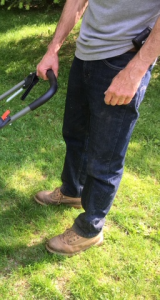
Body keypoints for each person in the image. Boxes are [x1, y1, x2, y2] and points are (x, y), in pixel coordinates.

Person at [35, 0, 160, 256]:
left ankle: (90, 229)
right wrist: (53, 48)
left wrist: (136, 70)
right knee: (75, 134)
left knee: (106, 154)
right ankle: (73, 190)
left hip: (124, 60)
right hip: (86, 54)